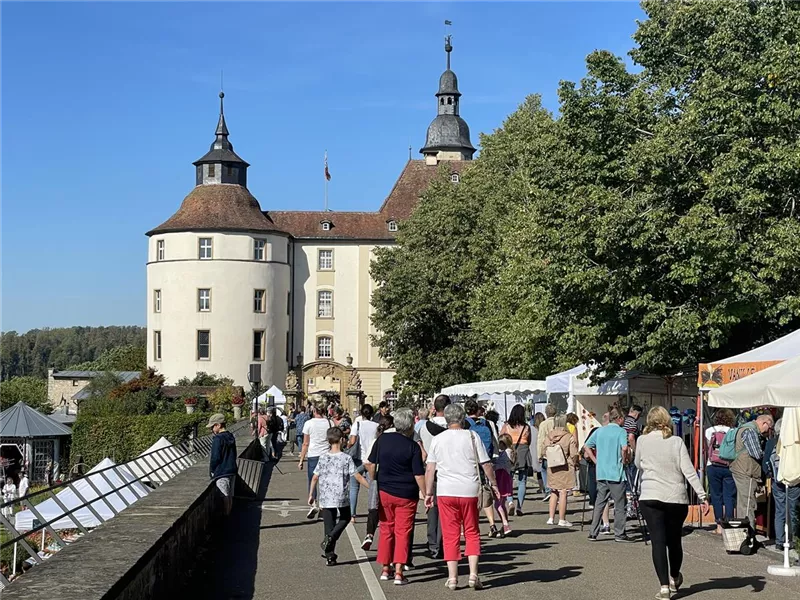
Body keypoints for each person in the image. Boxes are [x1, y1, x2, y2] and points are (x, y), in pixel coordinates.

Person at [635, 406, 708, 600]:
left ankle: (664, 587)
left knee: (657, 541)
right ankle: (674, 577)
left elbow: (637, 463)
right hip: (675, 497)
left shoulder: (642, 440)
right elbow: (688, 470)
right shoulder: (676, 441)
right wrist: (702, 495)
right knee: (674, 540)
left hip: (650, 495)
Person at [424, 403, 499, 590]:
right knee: (472, 531)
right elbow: (486, 464)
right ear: (463, 418)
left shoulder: (438, 439)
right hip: (469, 489)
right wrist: (494, 484)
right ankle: (473, 574)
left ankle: (452, 578)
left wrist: (428, 492)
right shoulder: (472, 436)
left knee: (450, 535)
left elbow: (430, 468)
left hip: (445, 490)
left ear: (447, 419)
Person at [366, 408, 425, 586]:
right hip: (407, 493)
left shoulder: (382, 439)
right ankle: (399, 570)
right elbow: (418, 474)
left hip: (385, 490)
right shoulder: (412, 446)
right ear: (410, 426)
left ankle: (385, 568)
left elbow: (370, 463)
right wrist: (426, 493)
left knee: (386, 528)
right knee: (403, 531)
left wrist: (374, 479)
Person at [309, 427, 369, 566]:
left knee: (328, 525)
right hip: (341, 495)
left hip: (326, 496)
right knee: (346, 517)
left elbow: (315, 477)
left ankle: (330, 555)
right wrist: (371, 487)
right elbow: (357, 476)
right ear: (342, 440)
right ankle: (330, 538)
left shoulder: (323, 457)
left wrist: (311, 494)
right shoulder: (346, 458)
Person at [585, 407, 632, 542]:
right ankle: (619, 533)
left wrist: (596, 461)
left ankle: (593, 532)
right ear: (619, 419)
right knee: (620, 504)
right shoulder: (621, 431)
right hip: (616, 472)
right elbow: (624, 448)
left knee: (600, 503)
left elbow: (587, 446)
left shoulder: (600, 431)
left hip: (602, 472)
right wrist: (624, 460)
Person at [416, 394, 450, 559]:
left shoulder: (424, 427)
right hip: (449, 471)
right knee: (446, 510)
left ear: (434, 408)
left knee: (432, 509)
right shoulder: (454, 427)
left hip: (430, 470)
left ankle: (433, 544)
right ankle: (443, 542)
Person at [730, 413, 774, 527]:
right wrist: (768, 452)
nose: (768, 432)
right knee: (748, 505)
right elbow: (757, 453)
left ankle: (743, 532)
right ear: (764, 423)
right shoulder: (750, 431)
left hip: (740, 469)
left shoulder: (745, 428)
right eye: (769, 428)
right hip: (747, 471)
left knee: (743, 504)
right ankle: (748, 533)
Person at [764, 418, 798, 553]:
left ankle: (779, 541)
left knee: (780, 511)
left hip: (777, 480)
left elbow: (765, 463)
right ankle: (794, 540)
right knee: (794, 510)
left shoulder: (771, 442)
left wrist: (770, 475)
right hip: (793, 480)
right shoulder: (794, 442)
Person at [465, 399, 498, 536]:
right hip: (484, 461)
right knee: (485, 492)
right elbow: (494, 442)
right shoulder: (487, 423)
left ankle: (468, 525)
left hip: (470, 463)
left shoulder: (465, 424)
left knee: (470, 495)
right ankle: (492, 524)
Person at [362, 414, 394, 551]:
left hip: (378, 477)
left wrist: (373, 477)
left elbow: (367, 462)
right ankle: (389, 541)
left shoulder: (377, 440)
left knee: (374, 507)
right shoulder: (396, 440)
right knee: (389, 511)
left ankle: (369, 534)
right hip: (392, 478)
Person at [299, 403, 332, 519]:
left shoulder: (309, 423)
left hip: (313, 454)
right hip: (327, 454)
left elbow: (305, 443)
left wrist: (301, 460)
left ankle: (313, 503)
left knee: (313, 479)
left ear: (314, 411)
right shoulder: (329, 423)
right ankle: (323, 508)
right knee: (325, 481)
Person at [705, 408, 736, 533]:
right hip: (729, 466)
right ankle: (728, 524)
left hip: (712, 465)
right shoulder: (733, 431)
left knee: (716, 495)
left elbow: (708, 447)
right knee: (729, 496)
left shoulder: (709, 431)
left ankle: (719, 525)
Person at [545, 414, 579, 527]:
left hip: (552, 466)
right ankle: (562, 519)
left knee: (554, 491)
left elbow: (544, 450)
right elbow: (573, 453)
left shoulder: (549, 436)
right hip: (565, 466)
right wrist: (575, 462)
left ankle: (551, 518)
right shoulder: (568, 436)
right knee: (563, 492)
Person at [500, 404, 533, 516]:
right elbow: (529, 441)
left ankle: (510, 502)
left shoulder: (507, 426)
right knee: (522, 481)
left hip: (510, 451)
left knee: (508, 479)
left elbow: (501, 438)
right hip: (523, 452)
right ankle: (519, 507)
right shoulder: (526, 427)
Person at [349, 404, 379, 521]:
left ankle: (352, 515)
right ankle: (373, 511)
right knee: (372, 486)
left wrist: (347, 446)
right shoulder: (376, 426)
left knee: (354, 487)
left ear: (361, 414)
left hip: (358, 458)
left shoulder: (357, 424)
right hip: (371, 459)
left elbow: (352, 441)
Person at [207, 413, 238, 516]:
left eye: (212, 427)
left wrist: (212, 470)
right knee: (230, 495)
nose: (211, 430)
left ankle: (226, 517)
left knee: (224, 495)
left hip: (222, 471)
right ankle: (229, 514)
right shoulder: (230, 436)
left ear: (218, 425)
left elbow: (215, 457)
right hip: (232, 469)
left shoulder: (218, 439)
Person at [494, 434, 515, 537]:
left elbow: (498, 465)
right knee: (502, 503)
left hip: (500, 478)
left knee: (497, 503)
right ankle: (504, 524)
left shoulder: (505, 453)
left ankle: (505, 524)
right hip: (506, 478)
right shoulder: (511, 452)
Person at [537, 404, 558, 502]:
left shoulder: (543, 424)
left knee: (544, 471)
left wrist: (539, 454)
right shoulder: (559, 422)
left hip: (547, 452)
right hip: (558, 451)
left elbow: (540, 439)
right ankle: (556, 490)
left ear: (546, 413)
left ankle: (548, 490)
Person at [531, 413, 545, 494]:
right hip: (544, 450)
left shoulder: (532, 429)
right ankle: (546, 487)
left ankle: (541, 487)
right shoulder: (544, 427)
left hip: (534, 450)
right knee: (544, 469)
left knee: (539, 471)